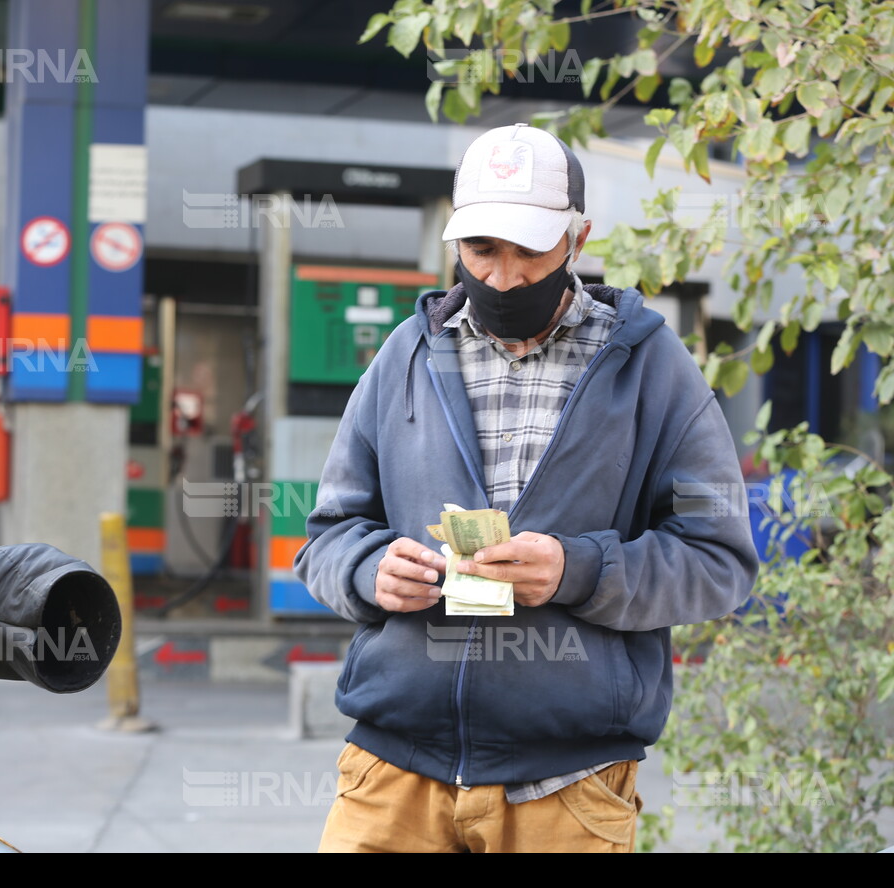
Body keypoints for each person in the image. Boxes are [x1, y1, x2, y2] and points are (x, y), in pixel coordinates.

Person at [293, 123, 758, 853]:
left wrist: (579, 570)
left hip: (566, 785)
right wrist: (367, 570)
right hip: (391, 775)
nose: (504, 277)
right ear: (454, 242)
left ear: (577, 237)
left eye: (529, 251)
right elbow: (329, 535)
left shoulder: (650, 367)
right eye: (482, 251)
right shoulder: (406, 357)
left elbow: (719, 562)